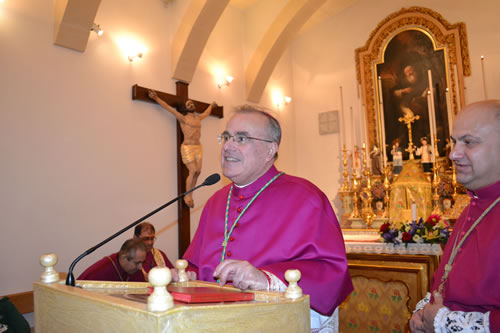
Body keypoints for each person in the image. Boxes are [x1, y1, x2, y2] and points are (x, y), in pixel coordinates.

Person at [176, 105, 353, 332]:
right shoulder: (216, 201)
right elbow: (197, 265)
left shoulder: (306, 198)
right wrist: (183, 276)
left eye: (241, 138)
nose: (228, 146)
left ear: (270, 149)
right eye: (227, 137)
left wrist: (266, 280)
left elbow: (330, 274)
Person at [409, 100, 500, 333]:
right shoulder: (472, 206)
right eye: (453, 141)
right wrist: (424, 316)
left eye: (468, 142)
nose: (453, 154)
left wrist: (444, 323)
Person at [148, 90, 216, 208]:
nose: (192, 105)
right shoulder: (183, 118)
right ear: (185, 107)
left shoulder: (198, 118)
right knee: (193, 170)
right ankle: (187, 196)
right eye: (189, 104)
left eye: (192, 103)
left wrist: (212, 105)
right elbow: (168, 108)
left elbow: (207, 113)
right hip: (188, 147)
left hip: (198, 147)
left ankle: (191, 194)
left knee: (198, 171)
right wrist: (156, 98)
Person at [78, 238, 147, 282]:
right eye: (137, 263)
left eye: (142, 262)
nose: (140, 267)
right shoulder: (98, 273)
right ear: (123, 257)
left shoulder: (135, 269)